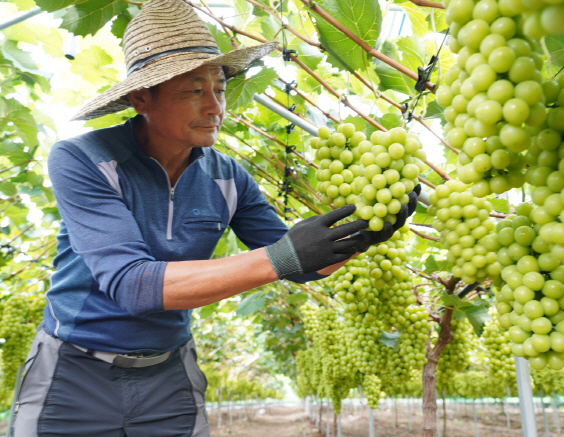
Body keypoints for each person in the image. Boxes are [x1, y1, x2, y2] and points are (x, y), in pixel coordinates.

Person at [10, 0, 417, 435]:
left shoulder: (229, 178)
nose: (214, 107)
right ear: (140, 97)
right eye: (193, 90)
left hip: (168, 372)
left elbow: (303, 267)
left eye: (220, 89)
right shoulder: (84, 158)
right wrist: (285, 256)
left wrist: (365, 235)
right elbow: (133, 285)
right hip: (73, 370)